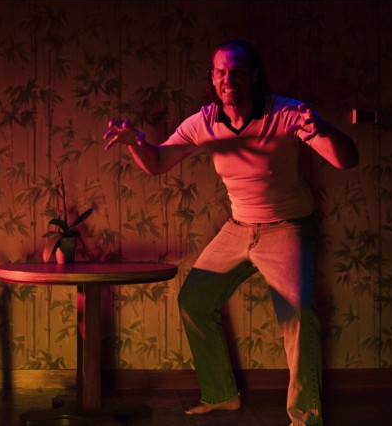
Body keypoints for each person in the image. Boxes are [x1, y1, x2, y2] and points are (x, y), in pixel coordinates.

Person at [103, 40, 359, 426]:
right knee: (194, 300)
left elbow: (346, 160)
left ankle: (305, 418)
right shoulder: (203, 122)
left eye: (236, 70)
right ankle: (221, 394)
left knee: (297, 315)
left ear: (253, 75)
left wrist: (323, 129)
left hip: (287, 226)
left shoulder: (286, 113)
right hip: (239, 227)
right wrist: (136, 144)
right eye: (220, 71)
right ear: (212, 79)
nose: (227, 78)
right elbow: (156, 163)